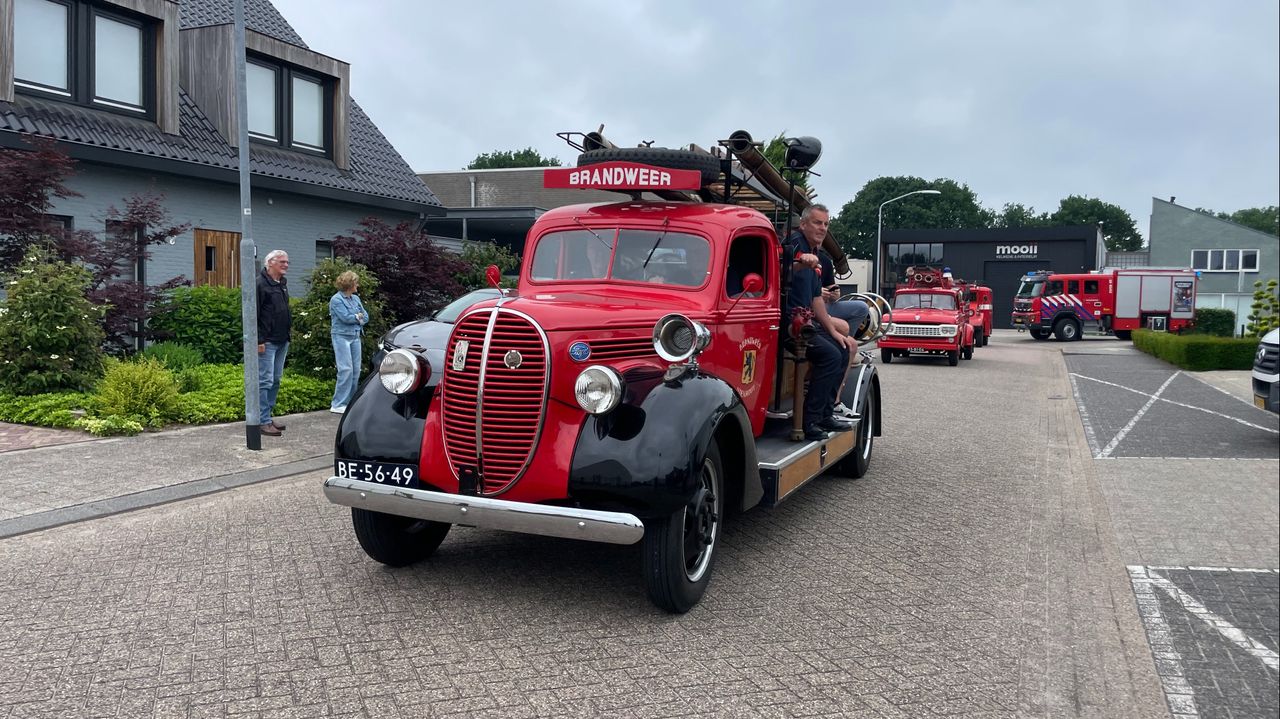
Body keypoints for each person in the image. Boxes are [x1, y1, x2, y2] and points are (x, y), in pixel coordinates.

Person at [785, 205, 855, 441]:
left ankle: (826, 414)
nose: (822, 228)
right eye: (817, 223)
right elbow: (781, 267)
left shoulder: (816, 256)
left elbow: (817, 301)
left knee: (842, 349)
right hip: (786, 324)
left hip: (806, 322)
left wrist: (833, 331)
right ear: (803, 224)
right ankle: (810, 421)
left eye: (825, 224)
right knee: (830, 356)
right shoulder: (794, 245)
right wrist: (801, 262)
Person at [256, 249, 291, 437]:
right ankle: (262, 421)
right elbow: (254, 314)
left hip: (282, 340)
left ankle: (267, 417)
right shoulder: (260, 284)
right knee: (265, 381)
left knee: (275, 380)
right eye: (282, 262)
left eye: (287, 262)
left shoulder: (282, 283)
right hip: (267, 342)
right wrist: (259, 340)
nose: (286, 265)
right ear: (270, 263)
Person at [328, 271, 369, 414]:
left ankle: (351, 402)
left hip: (355, 335)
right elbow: (345, 318)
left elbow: (366, 317)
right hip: (341, 337)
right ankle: (338, 403)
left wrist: (358, 317)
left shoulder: (356, 299)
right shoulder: (336, 299)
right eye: (356, 282)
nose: (357, 285)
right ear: (350, 284)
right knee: (346, 370)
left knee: (356, 370)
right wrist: (358, 317)